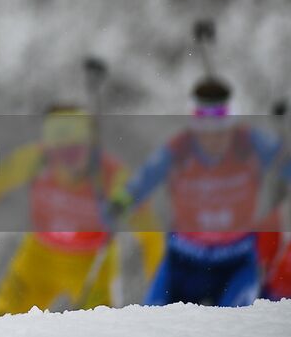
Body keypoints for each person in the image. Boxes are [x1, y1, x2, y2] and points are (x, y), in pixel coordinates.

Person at [0, 106, 163, 313]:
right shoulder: (36, 160)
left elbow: (150, 235)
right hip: (39, 257)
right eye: (60, 150)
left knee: (99, 329)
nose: (68, 160)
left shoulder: (111, 176)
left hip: (91, 263)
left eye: (76, 149)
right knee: (0, 322)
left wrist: (161, 296)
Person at [108, 78, 291, 307]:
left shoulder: (250, 142)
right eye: (205, 132)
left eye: (220, 131)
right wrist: (120, 203)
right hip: (183, 264)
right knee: (151, 321)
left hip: (236, 264)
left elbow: (286, 164)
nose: (212, 140)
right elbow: (145, 178)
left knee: (237, 326)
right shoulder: (180, 147)